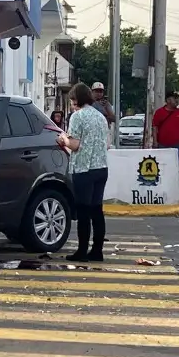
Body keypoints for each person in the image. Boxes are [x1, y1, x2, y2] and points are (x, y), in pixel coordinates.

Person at [57, 83, 110, 262]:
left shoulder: (77, 117)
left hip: (83, 169)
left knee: (83, 211)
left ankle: (81, 251)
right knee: (97, 210)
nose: (72, 103)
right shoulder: (100, 117)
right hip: (101, 168)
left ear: (78, 99)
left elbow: (75, 145)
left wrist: (63, 138)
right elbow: (107, 144)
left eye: (72, 100)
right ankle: (97, 250)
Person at [153, 90, 179, 165]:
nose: (177, 100)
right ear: (168, 100)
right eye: (174, 98)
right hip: (162, 145)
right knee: (162, 166)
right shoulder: (159, 112)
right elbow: (154, 127)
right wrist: (155, 142)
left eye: (177, 98)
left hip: (177, 145)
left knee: (175, 166)